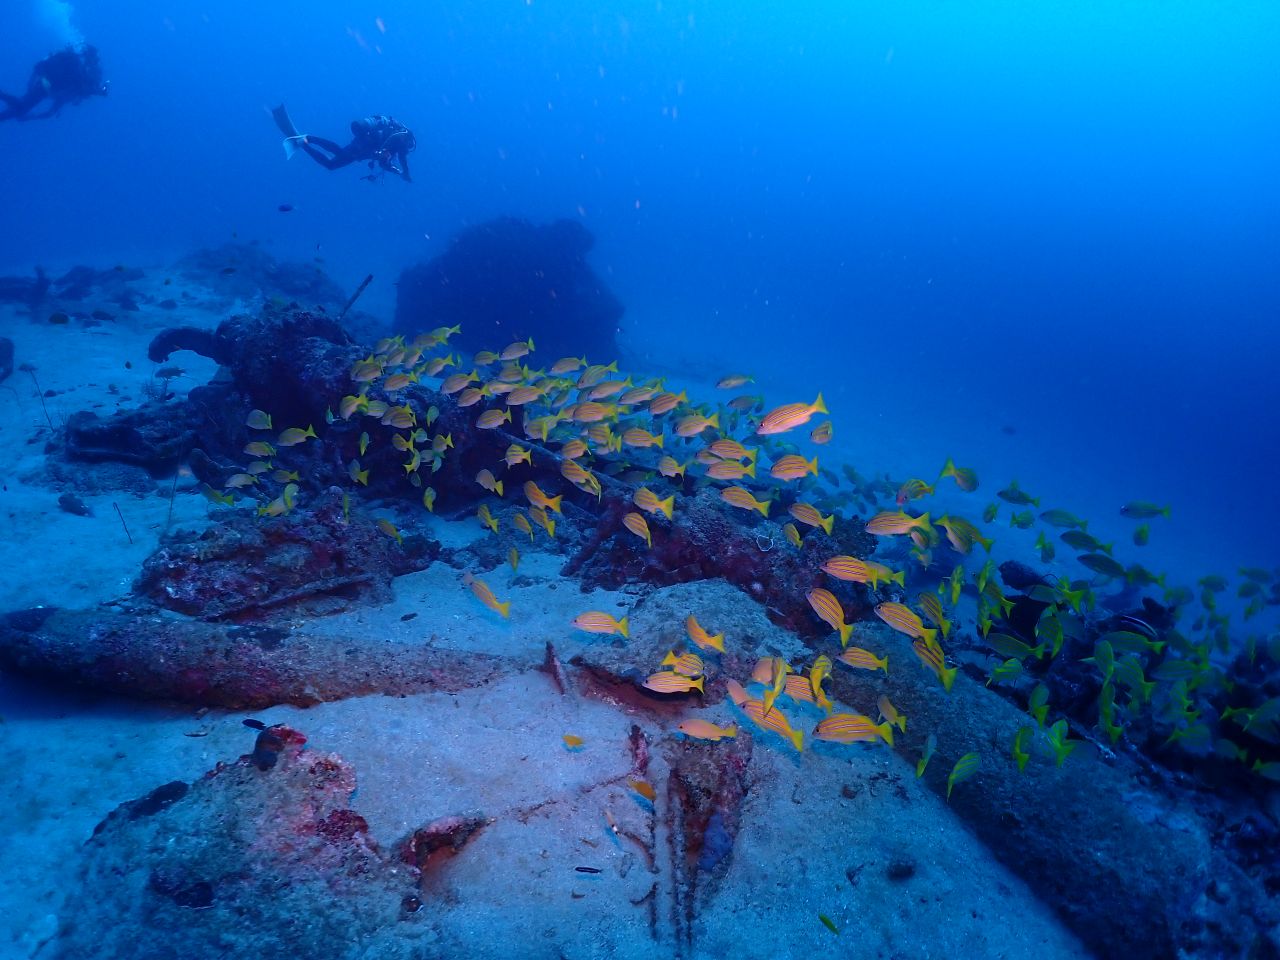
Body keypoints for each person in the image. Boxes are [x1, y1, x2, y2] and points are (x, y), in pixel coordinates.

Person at [273, 104, 415, 182]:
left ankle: (303, 143)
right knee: (340, 153)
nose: (406, 150)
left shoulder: (395, 147)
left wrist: (398, 172)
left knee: (331, 165)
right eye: (409, 147)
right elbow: (399, 152)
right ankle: (309, 138)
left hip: (363, 150)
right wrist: (406, 173)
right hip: (366, 142)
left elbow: (384, 164)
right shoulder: (402, 137)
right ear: (410, 142)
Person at [0, 45, 108, 122]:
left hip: (50, 89)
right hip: (46, 87)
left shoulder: (79, 66)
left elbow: (82, 88)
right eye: (95, 58)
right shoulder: (73, 61)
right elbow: (82, 88)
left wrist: (98, 91)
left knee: (20, 109)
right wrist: (98, 91)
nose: (96, 61)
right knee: (20, 107)